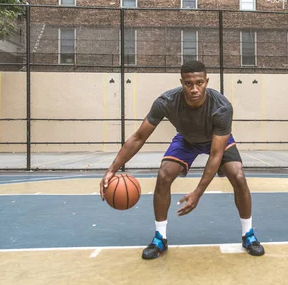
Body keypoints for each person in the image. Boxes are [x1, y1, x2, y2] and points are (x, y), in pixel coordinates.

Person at [100, 61, 265, 259]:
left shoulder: (221, 107)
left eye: (199, 82)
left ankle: (248, 235)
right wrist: (112, 169)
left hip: (217, 141)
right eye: (188, 84)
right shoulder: (166, 102)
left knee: (237, 175)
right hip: (186, 140)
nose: (194, 89)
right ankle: (160, 237)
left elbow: (215, 154)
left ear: (206, 81)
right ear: (181, 82)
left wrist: (198, 192)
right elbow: (138, 137)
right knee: (163, 175)